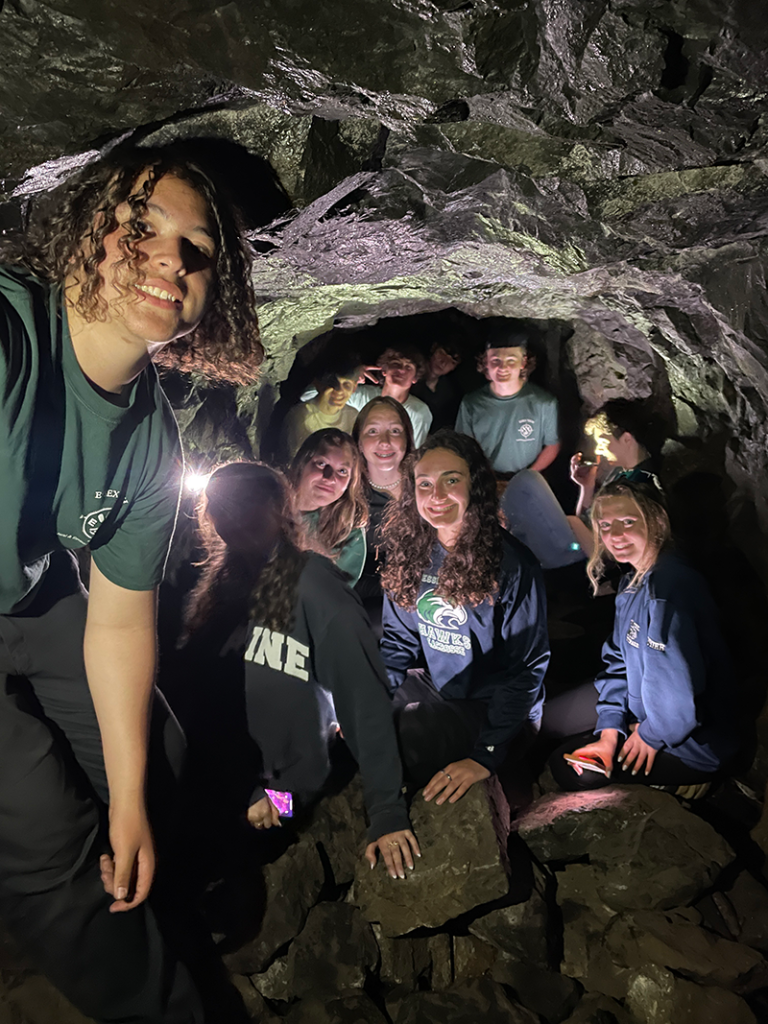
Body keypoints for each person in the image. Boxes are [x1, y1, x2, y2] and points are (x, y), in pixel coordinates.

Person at [0, 145, 263, 1021]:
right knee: (40, 819)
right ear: (84, 233)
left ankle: (146, 886)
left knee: (157, 752)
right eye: (142, 226)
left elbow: (117, 624)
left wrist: (129, 808)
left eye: (199, 248)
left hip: (23, 594)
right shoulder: (9, 337)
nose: (173, 259)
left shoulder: (152, 440)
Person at [184, 462, 420, 880]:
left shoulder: (313, 583)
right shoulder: (221, 589)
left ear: (279, 506)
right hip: (230, 779)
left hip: (291, 791)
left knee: (223, 857)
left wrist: (387, 808)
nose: (233, 516)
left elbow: (362, 694)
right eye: (221, 506)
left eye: (246, 503)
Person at [379, 430, 550, 804]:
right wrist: (369, 698)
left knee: (408, 729)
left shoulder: (512, 565)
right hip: (442, 689)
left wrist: (484, 756)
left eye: (451, 480)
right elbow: (396, 642)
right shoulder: (412, 553)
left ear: (476, 485)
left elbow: (526, 670)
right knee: (336, 707)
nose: (436, 496)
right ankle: (283, 807)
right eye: (424, 483)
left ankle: (388, 812)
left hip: (499, 711)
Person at [548, 478, 739, 795]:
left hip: (694, 743)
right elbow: (618, 661)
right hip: (644, 715)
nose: (615, 535)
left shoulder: (669, 590)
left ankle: (693, 785)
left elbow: (679, 692)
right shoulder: (632, 584)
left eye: (627, 521)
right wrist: (610, 728)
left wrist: (650, 735)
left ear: (657, 519)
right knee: (548, 725)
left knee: (570, 769)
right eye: (605, 524)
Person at [455, 320, 560, 479]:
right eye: (496, 360)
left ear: (523, 362)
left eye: (511, 360)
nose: (502, 368)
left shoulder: (543, 403)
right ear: (486, 363)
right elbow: (464, 447)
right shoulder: (472, 403)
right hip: (485, 479)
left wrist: (527, 476)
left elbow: (552, 445)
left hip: (527, 478)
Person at [567, 400, 665, 557]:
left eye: (603, 443)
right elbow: (588, 522)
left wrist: (574, 524)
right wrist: (587, 487)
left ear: (627, 439)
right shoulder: (619, 473)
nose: (599, 450)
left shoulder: (641, 482)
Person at [352, 397, 415, 628]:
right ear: (359, 442)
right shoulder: (345, 496)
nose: (385, 441)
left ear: (407, 438)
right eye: (372, 431)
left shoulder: (427, 489)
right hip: (366, 611)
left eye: (395, 430)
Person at [305, 344, 433, 444]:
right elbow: (308, 395)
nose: (400, 370)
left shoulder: (418, 412)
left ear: (415, 378)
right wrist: (350, 377)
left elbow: (413, 456)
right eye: (396, 364)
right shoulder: (363, 397)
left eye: (408, 367)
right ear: (384, 370)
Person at [288, 428, 369, 585]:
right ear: (301, 463)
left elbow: (331, 596)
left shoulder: (348, 533)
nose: (330, 478)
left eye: (342, 471)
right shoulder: (270, 504)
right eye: (321, 463)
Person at [282, 352, 364, 458]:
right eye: (332, 384)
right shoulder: (300, 416)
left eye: (346, 385)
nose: (339, 391)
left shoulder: (353, 416)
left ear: (354, 388)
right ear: (317, 384)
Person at [411, 340, 464, 433]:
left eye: (452, 361)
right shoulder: (409, 375)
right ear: (434, 348)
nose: (443, 362)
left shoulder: (449, 392)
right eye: (442, 353)